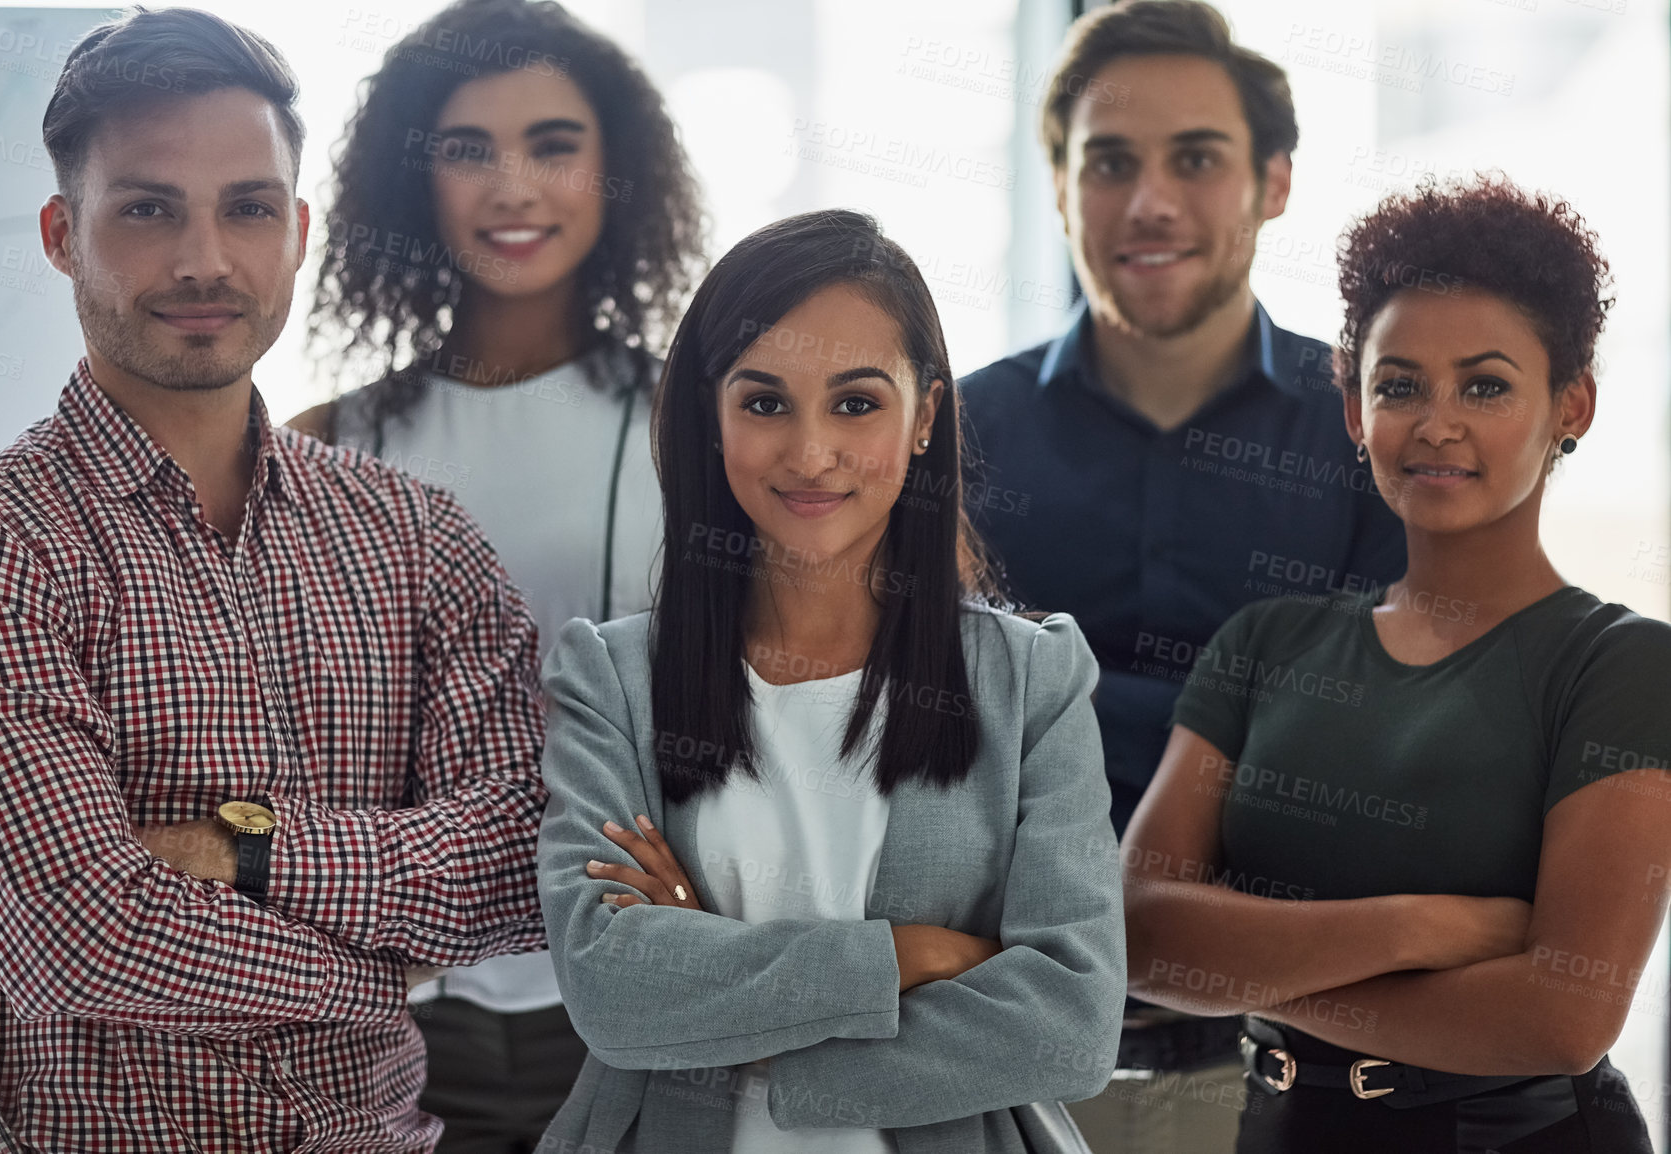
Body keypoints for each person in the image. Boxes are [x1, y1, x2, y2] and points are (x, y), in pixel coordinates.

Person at [0, 9, 551, 1149]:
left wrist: (246, 847)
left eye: (248, 208)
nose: (204, 260)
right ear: (62, 232)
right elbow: (78, 933)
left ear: (300, 228)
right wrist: (373, 970)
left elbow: (524, 859)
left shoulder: (415, 536)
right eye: (147, 208)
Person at [533, 208, 1127, 1153]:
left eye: (856, 403)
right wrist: (909, 956)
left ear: (925, 415)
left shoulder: (1032, 680)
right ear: (709, 415)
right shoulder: (613, 678)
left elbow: (1072, 1024)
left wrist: (731, 1021)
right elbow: (611, 992)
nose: (811, 455)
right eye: (764, 402)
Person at [1123, 174, 1666, 1152]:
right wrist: (1417, 926)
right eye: (1398, 383)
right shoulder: (1265, 640)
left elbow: (1563, 1017)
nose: (1435, 422)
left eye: (1486, 384)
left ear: (1571, 403)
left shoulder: (1620, 665)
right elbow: (1133, 933)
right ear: (1350, 406)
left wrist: (1251, 967)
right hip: (1279, 1127)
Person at [957, 1, 1406, 1145]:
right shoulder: (952, 434)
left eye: (1195, 159)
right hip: (985, 1053)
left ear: (1274, 182)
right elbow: (929, 739)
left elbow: (1379, 750)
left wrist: (1058, 713)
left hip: (1289, 1060)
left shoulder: (1375, 434)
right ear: (1057, 185)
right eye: (1108, 162)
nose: (1149, 202)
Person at [289, 3, 705, 1146]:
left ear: (615, 170)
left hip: (640, 976)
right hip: (414, 1002)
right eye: (465, 148)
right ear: (407, 181)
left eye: (553, 144)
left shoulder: (700, 419)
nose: (511, 184)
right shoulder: (332, 442)